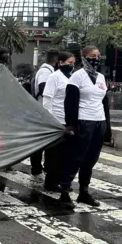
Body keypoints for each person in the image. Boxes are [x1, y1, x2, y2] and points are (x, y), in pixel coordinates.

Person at [59, 46, 112, 209]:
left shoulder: (101, 77)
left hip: (99, 122)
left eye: (98, 56)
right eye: (91, 56)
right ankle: (65, 192)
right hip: (83, 121)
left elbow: (104, 104)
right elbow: (70, 102)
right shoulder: (77, 77)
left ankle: (84, 192)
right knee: (76, 157)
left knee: (91, 159)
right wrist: (70, 125)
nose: (95, 59)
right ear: (83, 57)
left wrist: (107, 127)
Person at [42, 51, 75, 192]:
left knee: (66, 154)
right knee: (54, 154)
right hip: (56, 120)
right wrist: (50, 120)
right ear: (61, 63)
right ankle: (51, 182)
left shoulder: (72, 77)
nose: (72, 65)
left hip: (68, 120)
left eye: (73, 62)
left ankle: (62, 180)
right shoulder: (54, 77)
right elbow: (47, 100)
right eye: (69, 63)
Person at [30, 49, 59, 179]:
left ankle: (40, 167)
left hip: (43, 110)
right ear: (57, 60)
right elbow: (43, 89)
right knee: (41, 142)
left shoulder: (47, 71)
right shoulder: (46, 72)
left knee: (44, 141)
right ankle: (37, 168)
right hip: (43, 110)